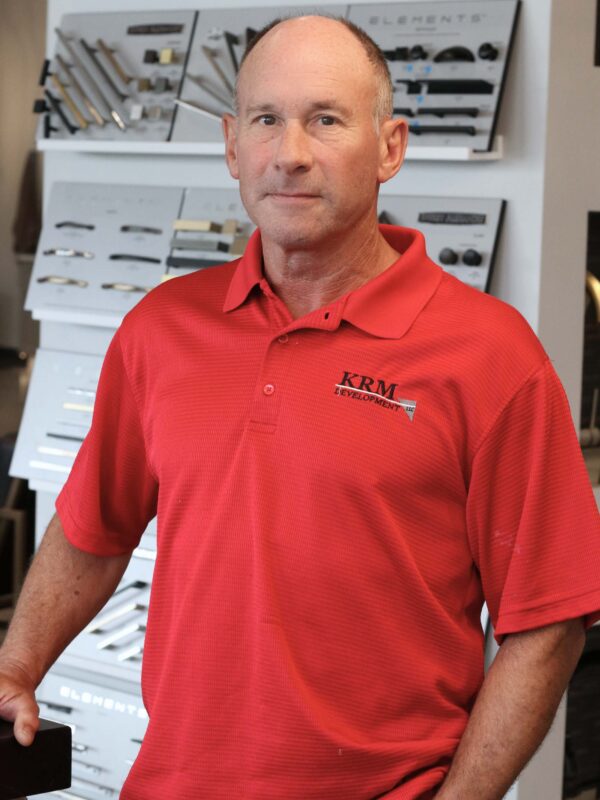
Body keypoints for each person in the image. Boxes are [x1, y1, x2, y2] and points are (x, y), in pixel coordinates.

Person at [1, 14, 599, 800]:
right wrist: (16, 665)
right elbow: (93, 529)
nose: (290, 154)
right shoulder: (162, 329)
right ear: (231, 146)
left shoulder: (492, 356)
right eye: (266, 120)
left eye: (325, 120)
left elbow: (549, 617)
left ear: (390, 146)